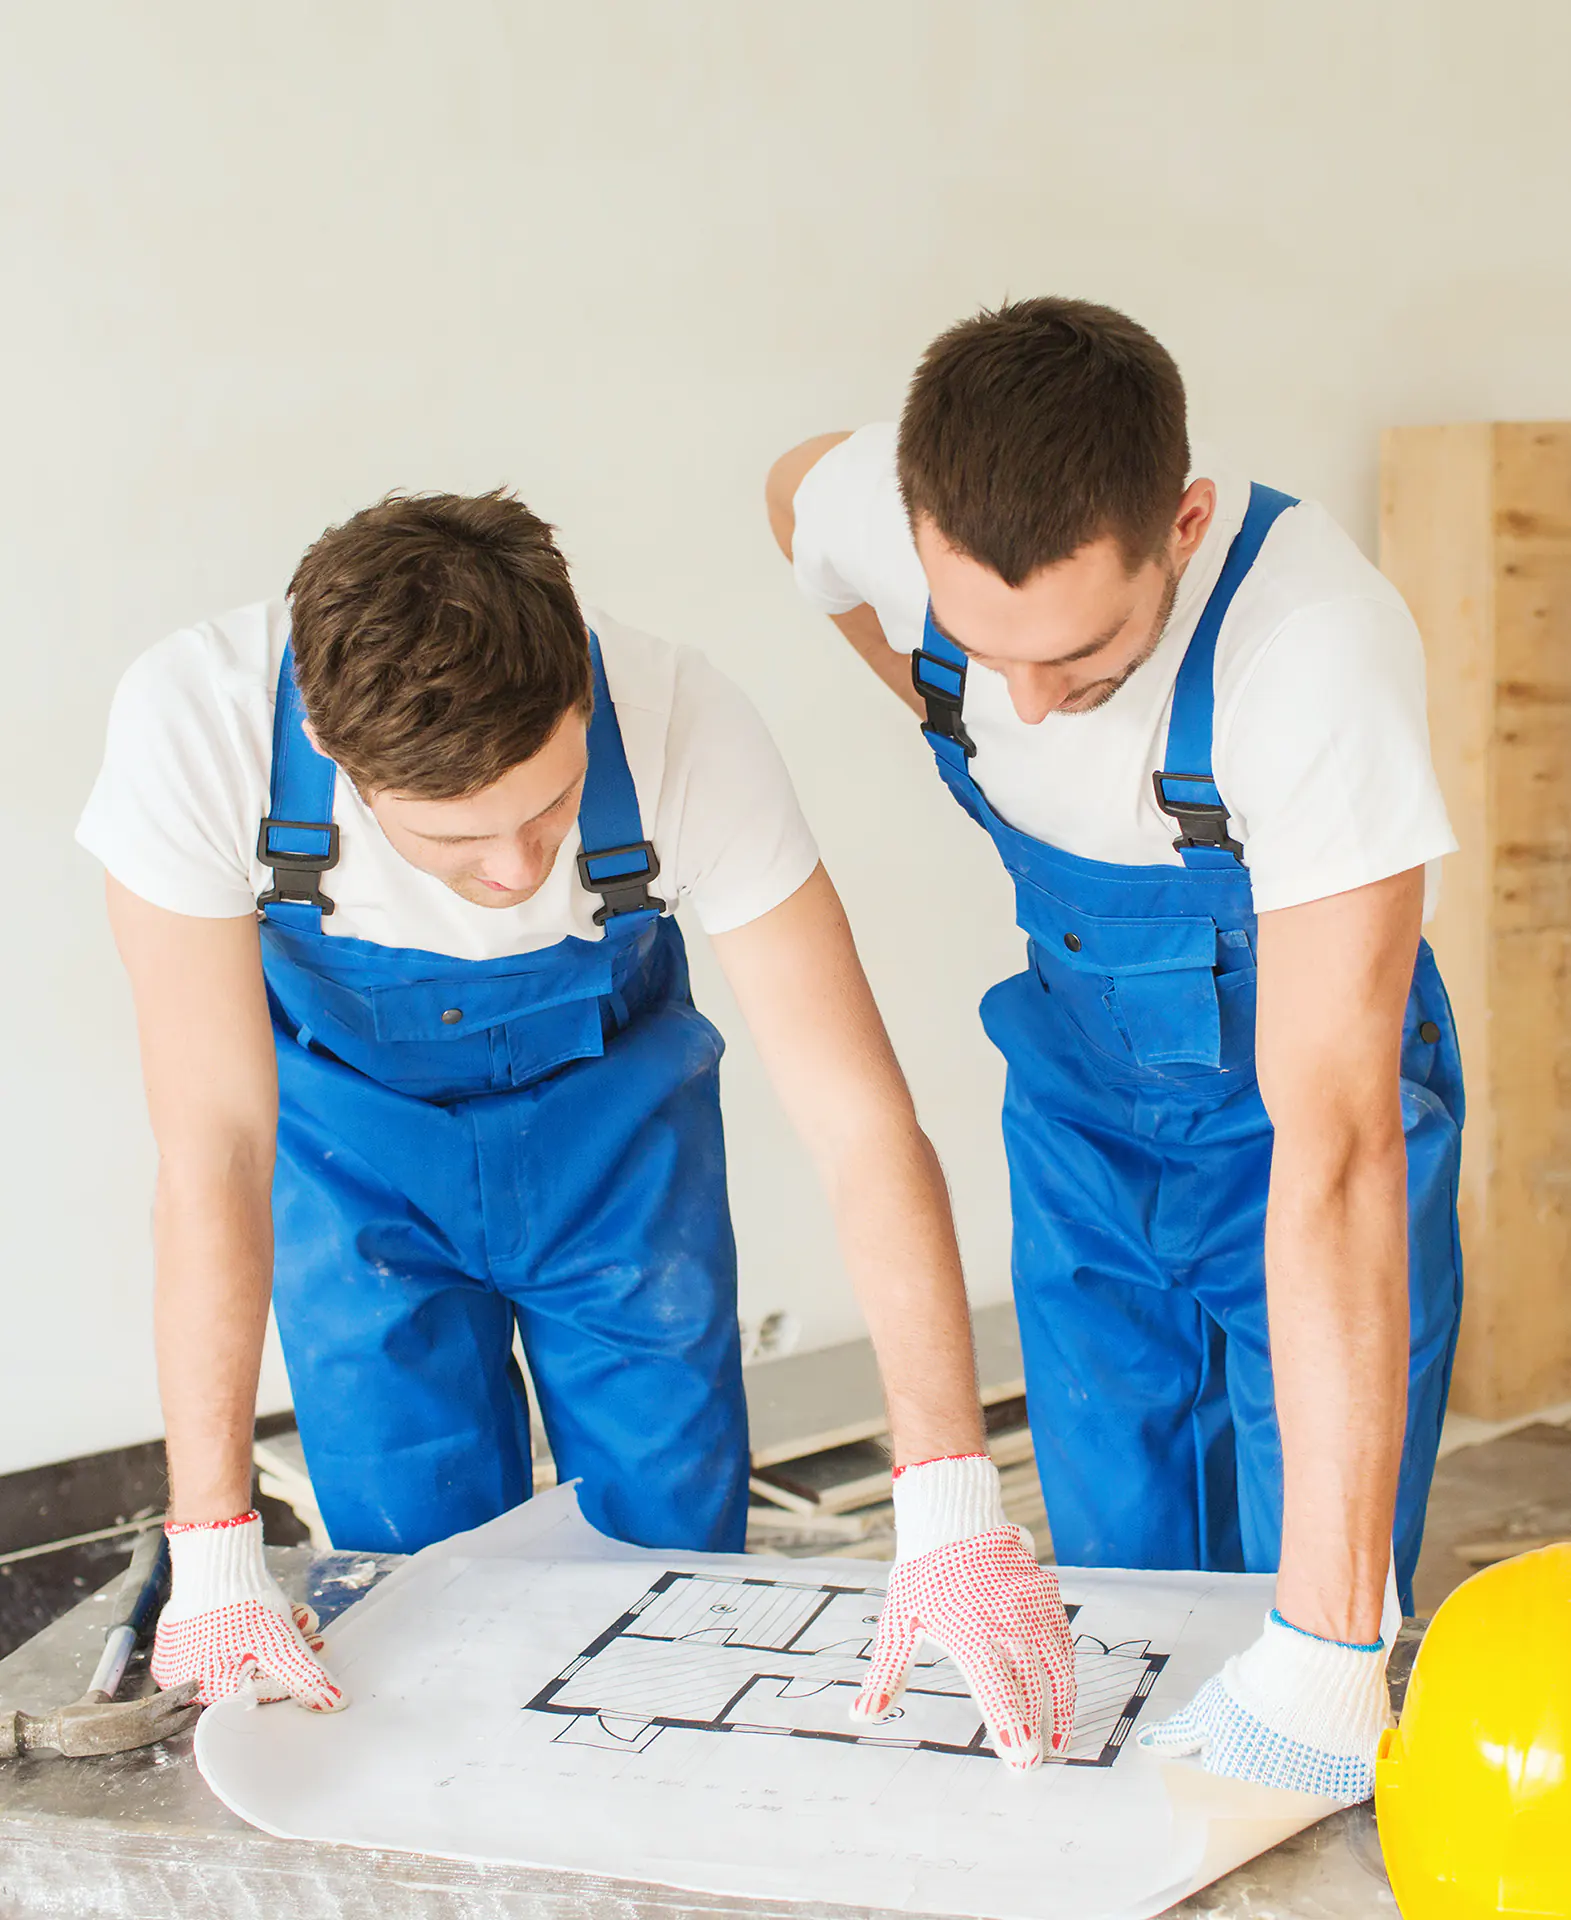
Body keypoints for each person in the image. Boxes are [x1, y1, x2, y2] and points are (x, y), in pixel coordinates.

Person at [79, 490, 1074, 1761]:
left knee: (674, 1558)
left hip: (614, 1145)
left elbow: (860, 1121)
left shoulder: (686, 725)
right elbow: (213, 1146)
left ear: (584, 709)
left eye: (547, 813)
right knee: (407, 1573)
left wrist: (948, 1496)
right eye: (455, 838)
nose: (513, 873)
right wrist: (213, 1554)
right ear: (333, 749)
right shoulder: (196, 728)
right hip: (352, 1155)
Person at [766, 298, 1464, 1803]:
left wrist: (1329, 1648)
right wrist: (937, 701)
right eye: (976, 645)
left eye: (1077, 654)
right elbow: (790, 490)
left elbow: (1333, 1143)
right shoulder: (889, 533)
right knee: (1119, 1571)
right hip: (1082, 1118)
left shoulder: (1313, 659)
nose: (1021, 697)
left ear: (1184, 524)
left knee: (1315, 1576)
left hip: (1296, 1120)